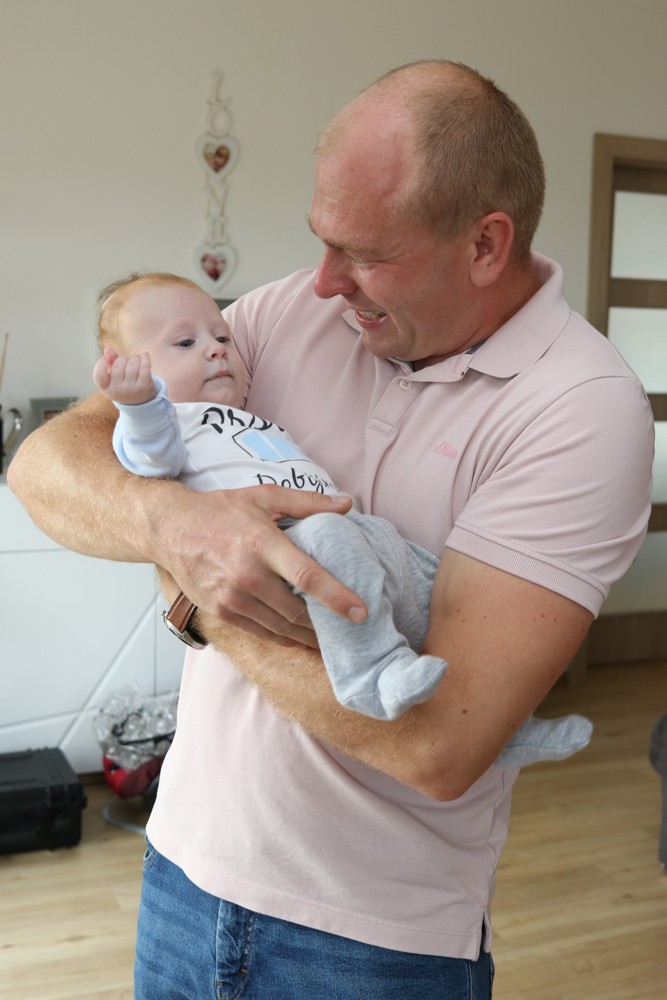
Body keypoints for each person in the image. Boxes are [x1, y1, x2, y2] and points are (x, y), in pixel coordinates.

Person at [8, 60, 654, 1000]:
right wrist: (174, 524)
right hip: (183, 868)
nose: (322, 280)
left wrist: (201, 601)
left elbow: (439, 745)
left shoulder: (580, 410)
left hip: (373, 942)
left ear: (485, 244)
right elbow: (45, 464)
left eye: (363, 252)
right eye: (322, 239)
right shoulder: (289, 315)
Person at [92, 269, 592, 753]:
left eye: (223, 336)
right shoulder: (171, 423)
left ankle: (493, 724)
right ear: (133, 370)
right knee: (333, 539)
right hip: (284, 546)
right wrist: (139, 406)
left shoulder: (243, 416)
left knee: (428, 576)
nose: (216, 348)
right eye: (185, 343)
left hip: (350, 533)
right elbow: (149, 458)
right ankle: (370, 675)